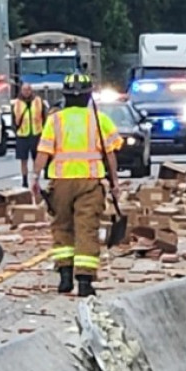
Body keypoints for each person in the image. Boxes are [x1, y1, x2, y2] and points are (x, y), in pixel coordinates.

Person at [31, 73, 123, 297]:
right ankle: (84, 281)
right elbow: (110, 155)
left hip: (60, 182)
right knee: (86, 228)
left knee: (62, 227)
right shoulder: (99, 120)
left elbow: (43, 152)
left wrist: (34, 179)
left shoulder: (55, 120)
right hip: (90, 182)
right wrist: (114, 182)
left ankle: (64, 275)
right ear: (88, 95)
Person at [12, 83, 47, 188]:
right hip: (22, 135)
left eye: (28, 89)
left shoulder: (38, 101)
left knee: (37, 160)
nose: (26, 92)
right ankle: (24, 181)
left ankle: (36, 179)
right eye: (24, 90)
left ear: (31, 90)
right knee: (23, 160)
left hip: (36, 134)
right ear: (21, 91)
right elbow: (13, 119)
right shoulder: (17, 103)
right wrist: (15, 130)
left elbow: (44, 116)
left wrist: (43, 131)